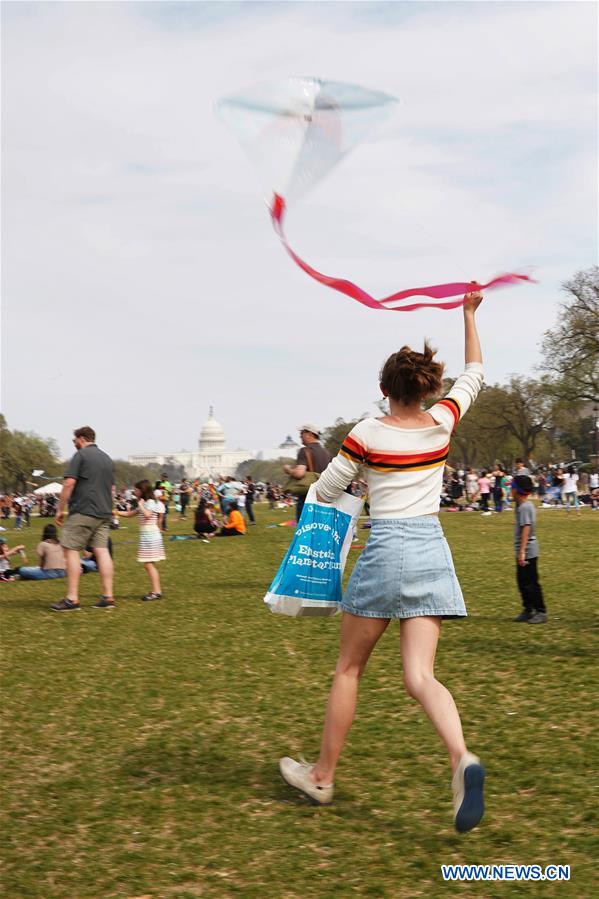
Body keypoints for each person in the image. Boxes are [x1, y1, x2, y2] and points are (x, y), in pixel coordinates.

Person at [279, 289, 486, 833]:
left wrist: (353, 482)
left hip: (386, 546)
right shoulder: (443, 422)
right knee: (421, 675)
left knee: (349, 669)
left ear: (383, 390)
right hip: (432, 549)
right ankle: (461, 756)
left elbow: (325, 490)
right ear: (430, 388)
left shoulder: (366, 434)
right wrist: (467, 314)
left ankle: (321, 777)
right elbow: (476, 373)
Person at [51, 426, 115, 611]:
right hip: (104, 512)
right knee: (102, 551)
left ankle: (72, 599)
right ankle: (108, 596)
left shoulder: (81, 456)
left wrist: (59, 510)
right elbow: (111, 489)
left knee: (70, 549)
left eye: (74, 441)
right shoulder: (107, 459)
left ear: (81, 438)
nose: (74, 444)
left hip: (83, 510)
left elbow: (69, 483)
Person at [116, 480, 165, 600]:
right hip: (148, 536)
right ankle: (156, 591)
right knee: (149, 564)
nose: (135, 492)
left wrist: (141, 504)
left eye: (137, 490)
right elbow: (130, 514)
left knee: (148, 565)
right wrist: (115, 512)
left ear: (143, 490)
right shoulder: (144, 502)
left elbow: (148, 515)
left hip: (150, 536)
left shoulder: (149, 502)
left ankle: (156, 592)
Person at [511, 475, 547, 624]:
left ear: (517, 490)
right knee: (522, 581)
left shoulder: (526, 506)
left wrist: (522, 552)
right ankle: (528, 609)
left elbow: (527, 528)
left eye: (511, 487)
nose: (509, 491)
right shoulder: (520, 505)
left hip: (528, 551)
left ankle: (541, 611)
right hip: (523, 550)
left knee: (531, 582)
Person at [283, 425, 331, 521]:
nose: (300, 435)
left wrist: (288, 470)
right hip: (325, 497)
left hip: (308, 497)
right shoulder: (326, 452)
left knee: (305, 531)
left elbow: (299, 473)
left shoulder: (304, 451)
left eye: (302, 433)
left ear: (309, 434)